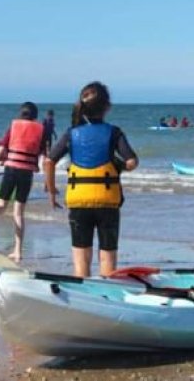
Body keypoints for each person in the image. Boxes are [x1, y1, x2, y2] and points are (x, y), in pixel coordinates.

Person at [44, 81, 138, 278]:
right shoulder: (114, 132)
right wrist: (117, 164)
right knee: (108, 258)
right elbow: (132, 162)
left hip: (79, 201)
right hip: (107, 202)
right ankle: (108, 298)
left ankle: (82, 298)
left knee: (81, 258)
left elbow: (49, 161)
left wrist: (51, 191)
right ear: (107, 107)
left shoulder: (71, 133)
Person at [0, 102, 45, 262]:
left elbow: (1, 149)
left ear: (21, 114)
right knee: (18, 213)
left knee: (1, 205)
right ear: (35, 116)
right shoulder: (40, 130)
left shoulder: (14, 127)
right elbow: (43, 154)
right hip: (26, 172)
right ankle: (18, 251)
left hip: (11, 169)